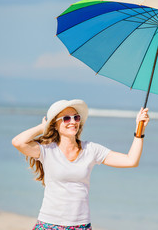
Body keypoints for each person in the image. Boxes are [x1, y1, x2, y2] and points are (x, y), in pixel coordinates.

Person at [12, 99, 149, 230]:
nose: (72, 122)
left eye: (76, 117)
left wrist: (139, 130)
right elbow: (18, 142)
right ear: (55, 125)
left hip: (80, 225)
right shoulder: (47, 150)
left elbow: (131, 160)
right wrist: (43, 127)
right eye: (66, 118)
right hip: (49, 223)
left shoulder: (91, 149)